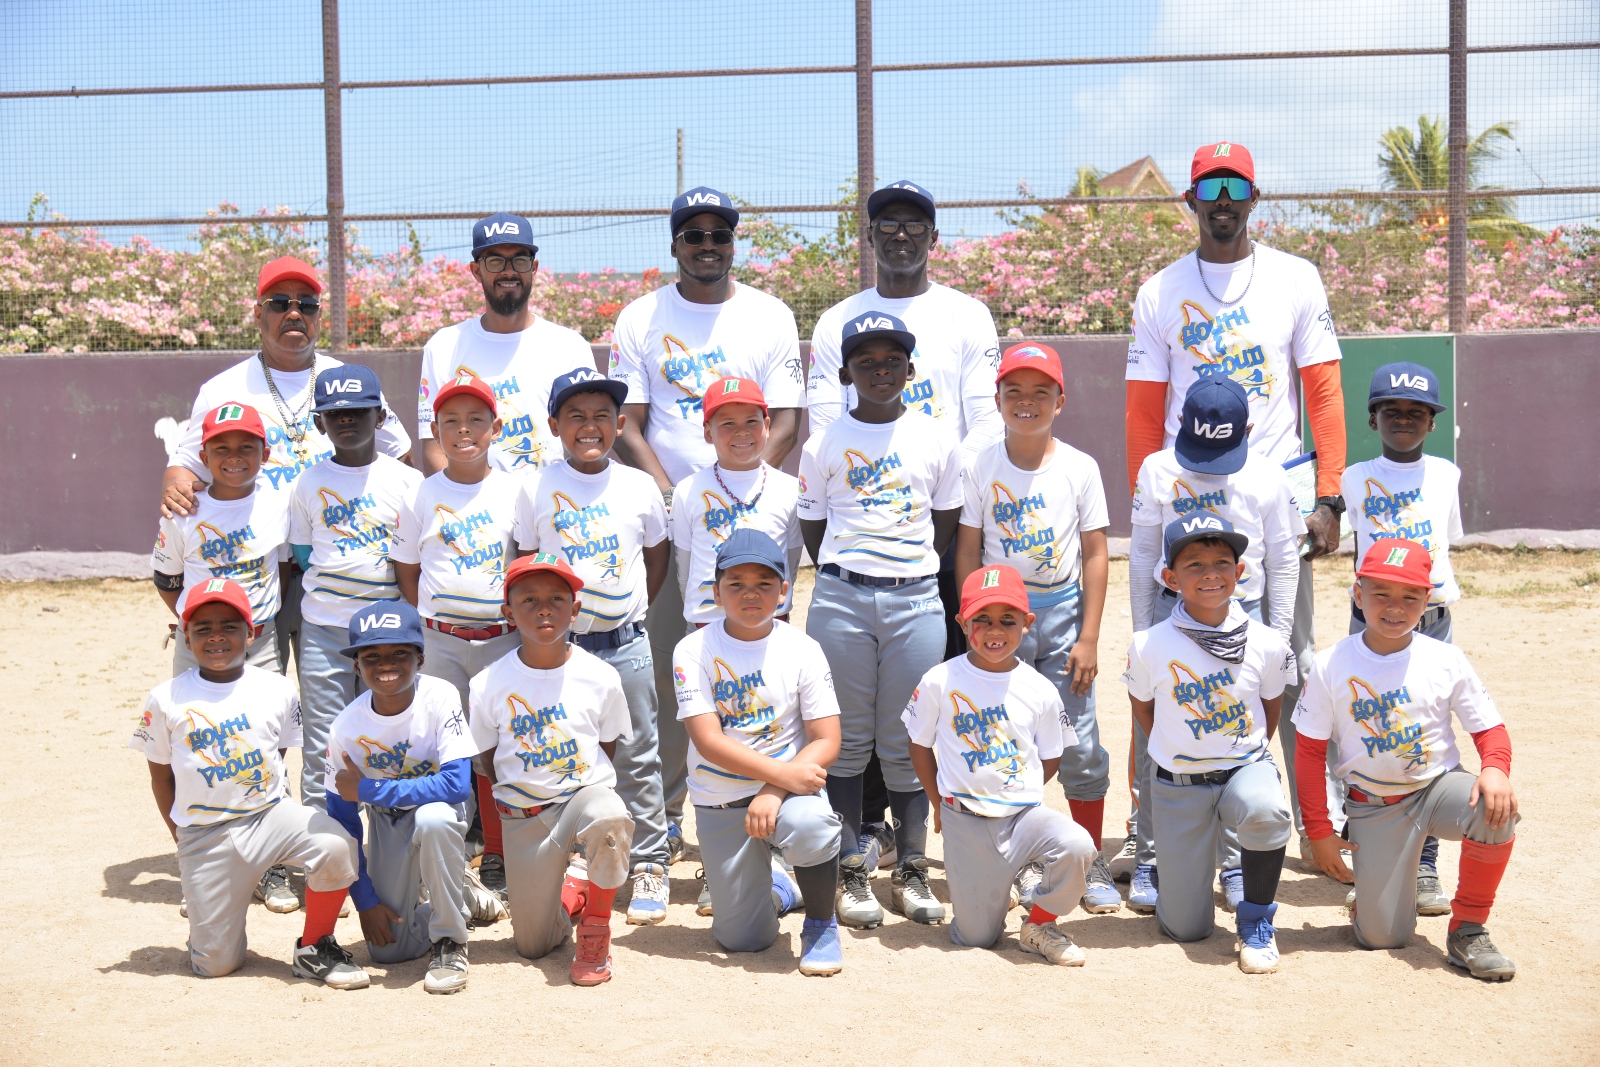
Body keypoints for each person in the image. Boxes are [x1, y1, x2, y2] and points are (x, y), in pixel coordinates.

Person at [1122, 141, 1346, 877]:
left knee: (1288, 660)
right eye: (1210, 187)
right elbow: (1144, 412)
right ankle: (1152, 833)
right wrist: (1148, 502)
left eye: (1236, 187)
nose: (1223, 200)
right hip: (1185, 492)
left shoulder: (1294, 277)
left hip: (1270, 495)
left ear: (1255, 197)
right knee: (1160, 667)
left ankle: (1310, 822)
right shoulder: (1159, 290)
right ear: (1190, 199)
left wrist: (1329, 495)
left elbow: (1322, 392)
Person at [807, 181, 1005, 853]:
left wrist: (931, 501)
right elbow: (825, 429)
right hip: (861, 534)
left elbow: (983, 422)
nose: (900, 234)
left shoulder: (967, 315)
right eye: (887, 223)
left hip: (938, 527)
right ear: (868, 236)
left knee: (931, 690)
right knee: (857, 698)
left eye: (914, 224)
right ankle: (869, 828)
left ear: (934, 237)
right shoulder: (837, 320)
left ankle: (951, 820)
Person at [610, 186, 805, 868]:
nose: (707, 245)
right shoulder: (641, 316)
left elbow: (786, 419)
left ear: (733, 242)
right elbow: (628, 425)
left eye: (718, 234)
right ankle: (666, 824)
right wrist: (675, 496)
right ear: (674, 245)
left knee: (765, 678)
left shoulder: (768, 314)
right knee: (676, 679)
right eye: (693, 235)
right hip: (679, 529)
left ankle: (769, 815)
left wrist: (743, 490)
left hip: (757, 529)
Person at [159, 256, 412, 674]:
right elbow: (184, 466)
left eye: (306, 304)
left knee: (349, 696)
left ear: (319, 315)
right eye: (279, 303)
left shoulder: (347, 380)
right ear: (258, 314)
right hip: (258, 571)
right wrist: (176, 487)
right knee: (253, 694)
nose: (294, 313)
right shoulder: (222, 388)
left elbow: (400, 455)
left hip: (335, 573)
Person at [797, 311, 963, 929]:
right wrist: (856, 571)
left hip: (915, 599)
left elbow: (944, 523)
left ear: (910, 369)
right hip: (841, 597)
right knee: (844, 740)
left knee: (907, 736)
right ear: (845, 374)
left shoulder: (936, 438)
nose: (881, 370)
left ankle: (912, 866)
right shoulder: (823, 443)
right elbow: (814, 527)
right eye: (866, 362)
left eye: (893, 360)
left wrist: (903, 569)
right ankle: (850, 869)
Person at [1294, 540, 1519, 981]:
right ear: (1358, 594)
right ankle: (1371, 900)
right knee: (1382, 937)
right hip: (1374, 805)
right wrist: (1319, 831)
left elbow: (1490, 729)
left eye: (1410, 597)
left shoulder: (1445, 658)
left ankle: (1468, 929)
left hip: (1437, 788)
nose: (1395, 607)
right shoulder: (1329, 664)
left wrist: (1495, 768)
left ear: (1427, 600)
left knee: (1495, 809)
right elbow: (1308, 753)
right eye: (1381, 593)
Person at [1123, 376, 1305, 914]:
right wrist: (1143, 633)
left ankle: (1233, 862)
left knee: (1235, 732)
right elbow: (1142, 553)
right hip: (1171, 606)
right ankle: (1151, 854)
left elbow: (1283, 559)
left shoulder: (1268, 475)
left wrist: (1279, 638)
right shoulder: (1158, 468)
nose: (1206, 464)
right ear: (1180, 423)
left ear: (1247, 431)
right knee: (1158, 733)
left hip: (1243, 612)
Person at [128, 578, 363, 985]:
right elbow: (161, 778)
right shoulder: (166, 699)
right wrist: (181, 838)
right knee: (215, 965)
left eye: (229, 626)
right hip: (205, 835)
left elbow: (277, 753)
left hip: (268, 816)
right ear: (185, 636)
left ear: (251, 633)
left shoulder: (277, 689)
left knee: (336, 845)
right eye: (203, 628)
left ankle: (314, 947)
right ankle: (208, 927)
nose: (216, 636)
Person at [952, 343, 1116, 914]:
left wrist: (1089, 637)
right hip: (1000, 620)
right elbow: (968, 549)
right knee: (1008, 738)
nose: (1027, 402)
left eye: (1040, 392)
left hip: (1063, 614)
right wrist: (974, 623)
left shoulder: (1079, 467)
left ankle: (1090, 858)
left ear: (1060, 401)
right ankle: (1023, 858)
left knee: (1080, 740)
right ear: (997, 399)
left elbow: (1096, 552)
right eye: (1014, 392)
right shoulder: (981, 465)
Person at [515, 367, 672, 925]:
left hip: (626, 644)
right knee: (570, 753)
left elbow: (656, 559)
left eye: (602, 415)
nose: (589, 426)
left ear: (620, 424)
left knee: (638, 754)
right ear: (554, 425)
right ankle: (578, 863)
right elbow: (527, 564)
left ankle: (650, 862)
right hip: (563, 650)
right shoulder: (535, 486)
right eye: (576, 416)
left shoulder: (638, 485)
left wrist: (628, 613)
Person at [1122, 516, 1295, 972]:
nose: (1210, 574)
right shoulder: (1148, 645)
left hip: (1243, 768)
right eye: (1194, 564)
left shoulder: (1267, 643)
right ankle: (1187, 881)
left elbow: (1270, 711)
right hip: (1178, 782)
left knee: (1265, 809)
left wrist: (1239, 755)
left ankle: (1256, 920)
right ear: (1170, 578)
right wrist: (1187, 751)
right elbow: (1145, 712)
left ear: (1240, 572)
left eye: (1221, 563)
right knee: (1186, 928)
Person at [903, 564, 1099, 965]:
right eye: (982, 619)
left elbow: (1052, 754)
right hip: (965, 819)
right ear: (962, 622)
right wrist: (939, 803)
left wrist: (1020, 789)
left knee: (1078, 845)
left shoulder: (1040, 688)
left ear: (1027, 623)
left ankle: (1038, 924)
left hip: (1022, 816)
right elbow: (918, 745)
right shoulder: (939, 680)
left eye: (1008, 620)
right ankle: (997, 883)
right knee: (976, 938)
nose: (995, 630)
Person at [673, 530, 845, 975]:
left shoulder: (803, 648)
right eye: (736, 584)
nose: (750, 594)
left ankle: (821, 925)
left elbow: (827, 739)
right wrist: (780, 778)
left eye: (764, 584)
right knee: (743, 941)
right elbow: (708, 741)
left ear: (784, 591)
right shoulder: (693, 649)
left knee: (811, 825)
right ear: (716, 592)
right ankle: (782, 888)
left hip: (789, 793)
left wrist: (774, 789)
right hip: (722, 796)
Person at [391, 370, 525, 909]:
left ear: (497, 427)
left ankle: (497, 855)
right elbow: (407, 568)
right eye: (450, 421)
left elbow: (527, 560)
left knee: (495, 748)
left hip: (500, 638)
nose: (463, 430)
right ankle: (445, 853)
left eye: (475, 419)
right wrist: (432, 621)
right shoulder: (423, 493)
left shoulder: (515, 489)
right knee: (439, 746)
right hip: (441, 639)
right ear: (436, 430)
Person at [468, 553, 635, 986]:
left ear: (575, 609)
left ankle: (595, 927)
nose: (544, 608)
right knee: (533, 945)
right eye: (529, 599)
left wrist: (584, 794)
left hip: (581, 799)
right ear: (508, 613)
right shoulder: (486, 684)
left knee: (609, 814)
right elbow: (488, 761)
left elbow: (607, 747)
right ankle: (573, 890)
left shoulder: (601, 676)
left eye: (557, 599)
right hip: (526, 816)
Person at [1341, 361, 1464, 915]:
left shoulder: (1446, 474)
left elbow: (1446, 540)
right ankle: (1366, 850)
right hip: (1369, 619)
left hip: (1431, 616)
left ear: (1432, 423)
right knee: (1366, 729)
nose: (1405, 420)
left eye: (1417, 412)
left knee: (1425, 732)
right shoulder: (1354, 477)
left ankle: (1426, 862)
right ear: (1374, 418)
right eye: (1392, 410)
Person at [323, 599, 483, 994]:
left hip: (442, 811)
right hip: (387, 820)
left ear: (420, 659)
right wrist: (365, 901)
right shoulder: (345, 728)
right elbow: (344, 825)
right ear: (356, 665)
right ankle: (461, 896)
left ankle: (450, 942)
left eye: (399, 653)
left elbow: (457, 785)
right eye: (372, 656)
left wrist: (369, 788)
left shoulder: (440, 696)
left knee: (434, 819)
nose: (386, 665)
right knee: (389, 950)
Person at [288, 365, 423, 810]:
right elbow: (304, 554)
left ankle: (389, 835)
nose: (346, 420)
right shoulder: (309, 481)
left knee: (388, 737)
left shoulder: (407, 481)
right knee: (323, 740)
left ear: (380, 417)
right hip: (324, 628)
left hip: (386, 632)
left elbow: (413, 557)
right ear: (318, 424)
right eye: (334, 414)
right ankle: (324, 839)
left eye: (359, 411)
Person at [416, 214, 598, 475]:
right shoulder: (444, 346)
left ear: (534, 268)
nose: (509, 271)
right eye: (495, 261)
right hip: (475, 500)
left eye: (519, 260)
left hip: (550, 498)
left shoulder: (570, 346)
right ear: (476, 271)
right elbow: (434, 449)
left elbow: (586, 440)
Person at [153, 402, 289, 677]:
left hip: (262, 641)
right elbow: (166, 580)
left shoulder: (279, 503)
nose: (234, 457)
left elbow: (282, 567)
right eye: (221, 448)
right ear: (204, 458)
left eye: (246, 447)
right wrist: (195, 623)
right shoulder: (184, 512)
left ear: (265, 455)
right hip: (200, 645)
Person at [670, 376, 803, 631]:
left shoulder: (789, 489)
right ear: (708, 432)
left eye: (751, 421)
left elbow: (791, 562)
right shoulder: (688, 490)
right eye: (728, 423)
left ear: (766, 425)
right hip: (706, 625)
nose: (741, 431)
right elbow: (685, 568)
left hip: (771, 624)